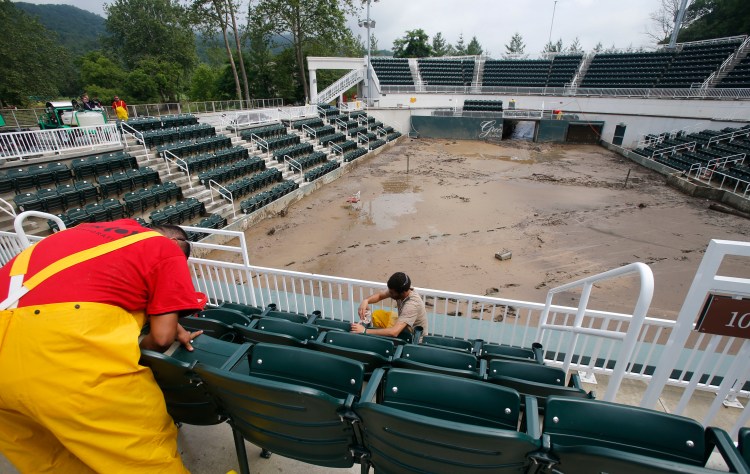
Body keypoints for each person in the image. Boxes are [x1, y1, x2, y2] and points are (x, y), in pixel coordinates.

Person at [0, 219, 205, 473]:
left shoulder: (83, 231)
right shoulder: (168, 248)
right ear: (177, 244)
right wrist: (133, 350)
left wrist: (171, 324)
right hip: (61, 352)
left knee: (50, 460)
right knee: (143, 457)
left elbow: (88, 286)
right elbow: (161, 339)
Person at [351, 272, 428, 339]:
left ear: (402, 293)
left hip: (413, 337)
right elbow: (380, 296)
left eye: (391, 293)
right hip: (403, 325)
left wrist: (364, 331)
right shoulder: (404, 288)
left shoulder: (412, 305)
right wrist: (366, 301)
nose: (389, 294)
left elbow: (394, 332)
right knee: (377, 315)